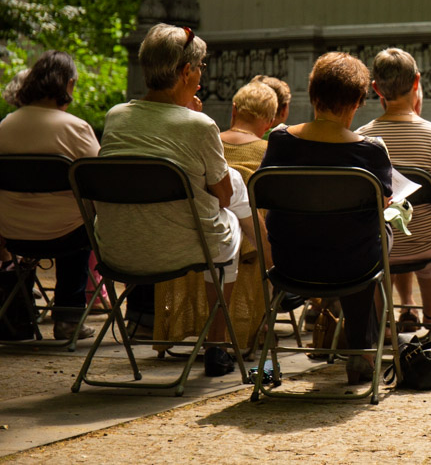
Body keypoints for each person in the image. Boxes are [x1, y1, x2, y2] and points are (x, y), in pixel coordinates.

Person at [97, 23, 251, 376]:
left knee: (232, 200)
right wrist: (195, 118)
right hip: (186, 248)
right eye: (199, 69)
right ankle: (217, 344)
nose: (200, 78)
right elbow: (223, 197)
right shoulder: (199, 126)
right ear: (185, 72)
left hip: (117, 249)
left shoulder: (116, 117)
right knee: (236, 205)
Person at [258, 52, 393, 385]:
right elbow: (384, 202)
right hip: (353, 265)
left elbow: (263, 196)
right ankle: (360, 350)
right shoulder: (372, 151)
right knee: (377, 231)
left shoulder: (280, 141)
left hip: (291, 264)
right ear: (359, 101)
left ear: (312, 93)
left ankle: (328, 321)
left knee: (347, 236)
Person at [155, 80, 278, 351]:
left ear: (233, 110)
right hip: (252, 245)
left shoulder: (207, 142)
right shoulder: (269, 152)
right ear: (269, 123)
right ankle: (260, 324)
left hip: (192, 236)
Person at [357, 48, 431, 331]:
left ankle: (382, 324)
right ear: (416, 82)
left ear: (375, 88)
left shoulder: (361, 139)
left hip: (380, 247)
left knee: (383, 239)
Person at [0, 52, 97, 341]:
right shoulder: (75, 128)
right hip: (68, 235)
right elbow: (99, 182)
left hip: (12, 233)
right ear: (68, 85)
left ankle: (21, 307)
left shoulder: (5, 126)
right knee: (82, 222)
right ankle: (68, 317)